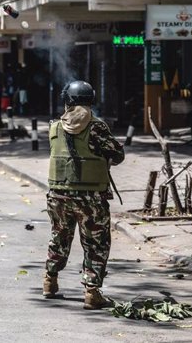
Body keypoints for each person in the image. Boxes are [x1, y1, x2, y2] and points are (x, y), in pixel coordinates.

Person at [43, 80, 125, 310]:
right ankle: (91, 292)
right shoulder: (97, 127)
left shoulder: (54, 126)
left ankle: (50, 281)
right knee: (96, 243)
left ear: (67, 100)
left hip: (58, 195)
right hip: (91, 198)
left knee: (59, 236)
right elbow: (118, 154)